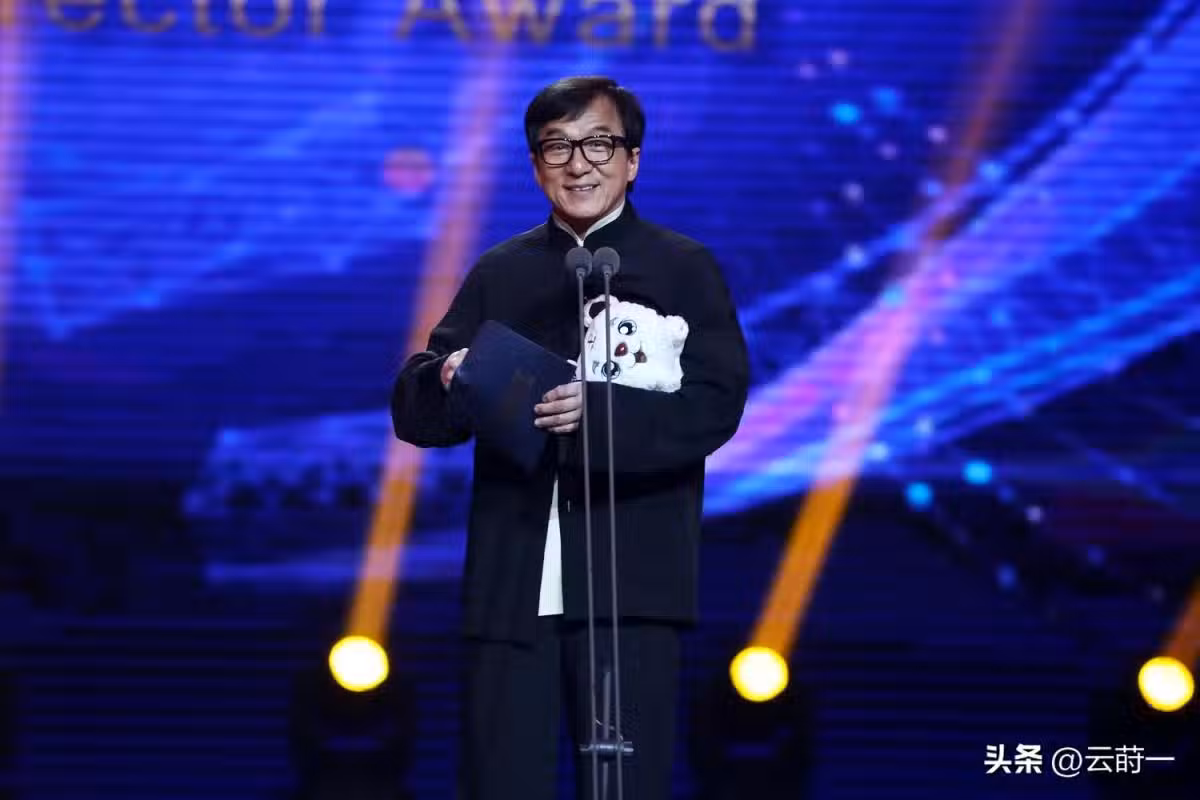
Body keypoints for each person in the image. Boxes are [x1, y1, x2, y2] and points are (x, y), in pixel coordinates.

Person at [390, 76, 750, 800]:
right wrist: (449, 377)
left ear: (633, 159)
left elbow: (717, 404)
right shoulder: (501, 271)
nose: (578, 164)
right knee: (499, 781)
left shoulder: (684, 268)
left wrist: (601, 415)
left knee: (627, 785)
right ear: (536, 165)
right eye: (556, 147)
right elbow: (417, 409)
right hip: (513, 578)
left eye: (598, 145)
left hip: (632, 584)